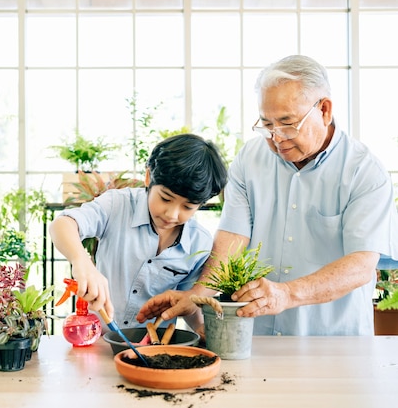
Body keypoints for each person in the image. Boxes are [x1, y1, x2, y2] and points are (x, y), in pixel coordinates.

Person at [137, 54, 398, 336]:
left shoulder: (365, 172)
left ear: (324, 110)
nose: (276, 137)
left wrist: (286, 294)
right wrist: (198, 295)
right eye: (267, 124)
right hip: (256, 336)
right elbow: (232, 239)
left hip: (333, 341)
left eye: (287, 123)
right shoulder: (250, 159)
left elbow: (360, 266)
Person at [49, 133, 228, 330]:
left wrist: (203, 330)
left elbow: (187, 303)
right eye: (165, 199)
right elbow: (63, 224)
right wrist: (81, 262)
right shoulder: (117, 205)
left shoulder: (199, 243)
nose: (172, 214)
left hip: (154, 350)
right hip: (99, 340)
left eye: (188, 207)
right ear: (148, 177)